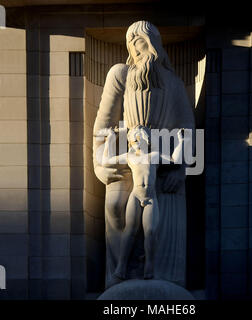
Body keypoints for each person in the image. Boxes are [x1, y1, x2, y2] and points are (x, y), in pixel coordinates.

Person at [93, 20, 195, 288]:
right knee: (116, 210)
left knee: (158, 228)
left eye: (147, 40)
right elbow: (103, 128)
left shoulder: (173, 82)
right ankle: (120, 278)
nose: (143, 47)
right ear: (130, 47)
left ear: (157, 43)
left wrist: (180, 169)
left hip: (162, 166)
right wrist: (100, 164)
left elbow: (188, 129)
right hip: (127, 156)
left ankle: (160, 278)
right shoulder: (120, 74)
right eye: (136, 42)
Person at [95, 126, 188, 279]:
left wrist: (182, 141)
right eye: (132, 140)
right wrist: (110, 139)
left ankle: (149, 267)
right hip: (136, 196)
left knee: (150, 231)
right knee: (129, 230)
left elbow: (176, 161)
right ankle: (121, 267)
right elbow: (106, 161)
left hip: (151, 197)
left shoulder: (154, 156)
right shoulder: (131, 157)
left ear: (146, 140)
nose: (135, 143)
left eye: (138, 139)